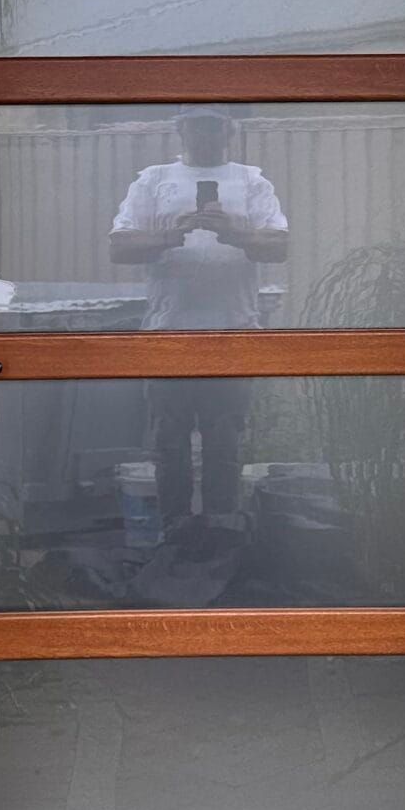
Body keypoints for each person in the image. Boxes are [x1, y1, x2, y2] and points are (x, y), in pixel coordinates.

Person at [109, 111, 288, 533]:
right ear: (180, 129)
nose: (204, 132)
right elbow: (119, 247)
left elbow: (278, 246)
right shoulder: (154, 179)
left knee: (224, 444)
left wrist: (233, 234)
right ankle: (174, 538)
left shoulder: (250, 181)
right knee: (168, 446)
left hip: (233, 333)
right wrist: (174, 234)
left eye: (214, 124)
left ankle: (221, 539)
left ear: (229, 130)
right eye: (196, 124)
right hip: (168, 334)